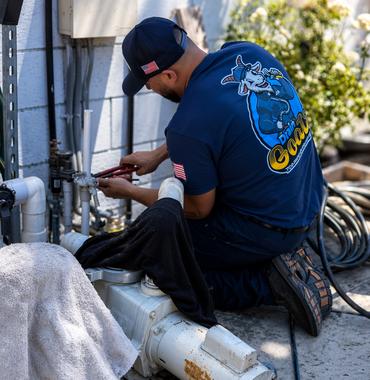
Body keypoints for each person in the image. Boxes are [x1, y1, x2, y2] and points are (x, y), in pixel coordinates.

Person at [96, 17, 331, 336]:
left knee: (162, 257)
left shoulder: (187, 126)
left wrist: (131, 192)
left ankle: (267, 283)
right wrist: (157, 155)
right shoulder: (248, 53)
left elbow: (196, 208)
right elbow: (214, 125)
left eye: (148, 82)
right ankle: (281, 253)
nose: (148, 88)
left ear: (168, 74)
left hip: (274, 228)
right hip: (308, 202)